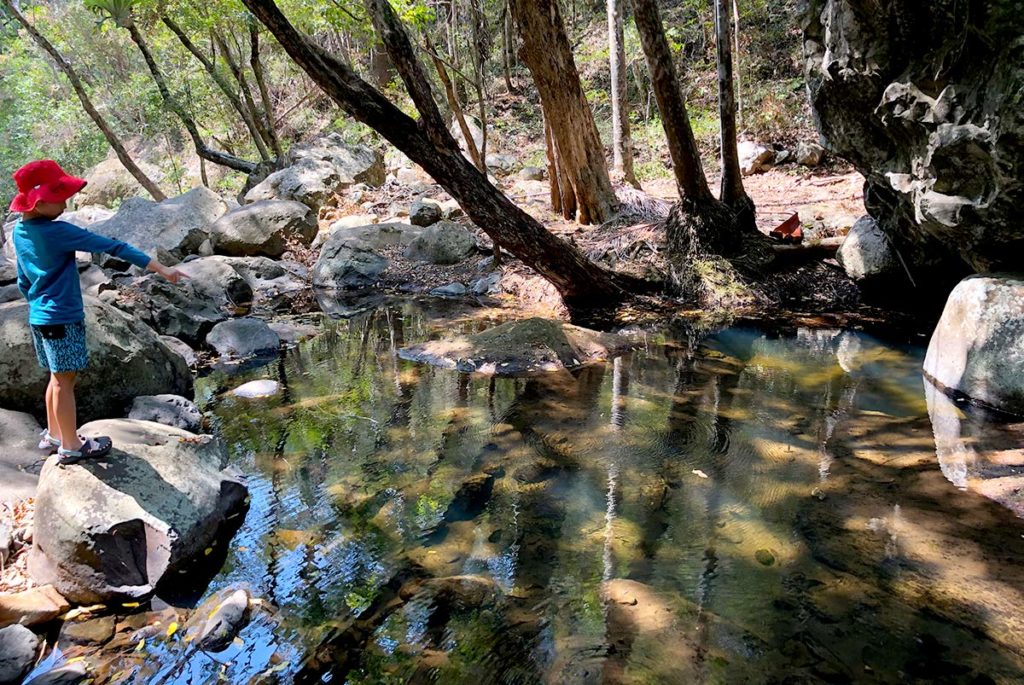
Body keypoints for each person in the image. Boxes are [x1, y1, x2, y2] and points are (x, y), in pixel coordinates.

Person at [10, 159, 187, 465]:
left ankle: (54, 434)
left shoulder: (20, 233)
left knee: (55, 379)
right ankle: (71, 445)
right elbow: (112, 246)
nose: (65, 204)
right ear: (38, 203)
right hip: (62, 317)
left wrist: (37, 301)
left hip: (39, 316)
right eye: (59, 198)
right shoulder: (57, 232)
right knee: (65, 382)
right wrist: (160, 268)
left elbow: (24, 281)